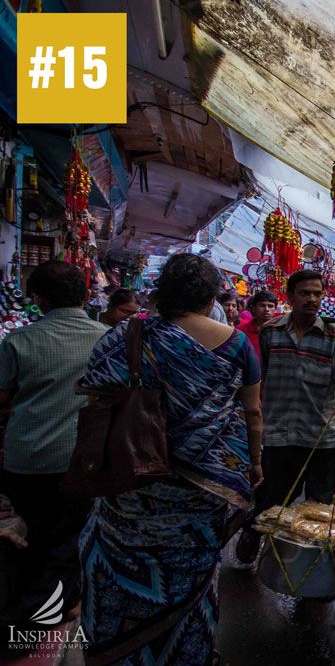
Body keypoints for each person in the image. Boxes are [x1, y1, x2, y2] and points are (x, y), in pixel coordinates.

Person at [77, 254, 263, 664]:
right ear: (211, 295)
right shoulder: (235, 343)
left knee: (120, 567)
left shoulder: (122, 335)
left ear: (162, 292)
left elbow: (96, 401)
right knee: (193, 576)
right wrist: (255, 463)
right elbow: (252, 412)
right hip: (201, 492)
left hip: (128, 483)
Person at [0, 261, 108, 655]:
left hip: (25, 459)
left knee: (41, 535)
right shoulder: (107, 339)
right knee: (66, 538)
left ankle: (36, 614)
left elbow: (2, 399)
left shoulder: (18, 341)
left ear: (39, 299)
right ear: (85, 296)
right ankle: (42, 616)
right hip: (82, 459)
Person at [235, 269, 335, 566]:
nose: (312, 299)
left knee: (320, 506)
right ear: (290, 297)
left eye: (317, 294)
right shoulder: (271, 332)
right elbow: (261, 377)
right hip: (280, 432)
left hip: (323, 435)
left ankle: (314, 570)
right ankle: (253, 534)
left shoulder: (334, 334)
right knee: (272, 499)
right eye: (305, 293)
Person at [236, 290, 278, 358]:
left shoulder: (281, 331)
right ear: (254, 308)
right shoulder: (241, 331)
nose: (266, 309)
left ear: (275, 309)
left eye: (270, 306)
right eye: (262, 305)